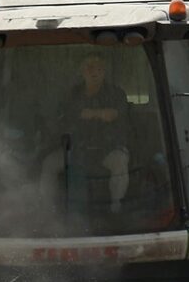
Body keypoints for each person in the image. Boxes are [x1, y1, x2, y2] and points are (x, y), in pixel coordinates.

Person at [40, 53, 130, 212]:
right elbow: (65, 116)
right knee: (49, 164)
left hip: (108, 148)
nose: (94, 72)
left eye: (99, 68)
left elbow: (115, 114)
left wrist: (89, 113)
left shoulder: (117, 93)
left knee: (120, 163)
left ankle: (116, 208)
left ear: (104, 71)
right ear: (82, 71)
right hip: (75, 149)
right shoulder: (72, 94)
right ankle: (47, 211)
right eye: (89, 67)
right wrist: (99, 114)